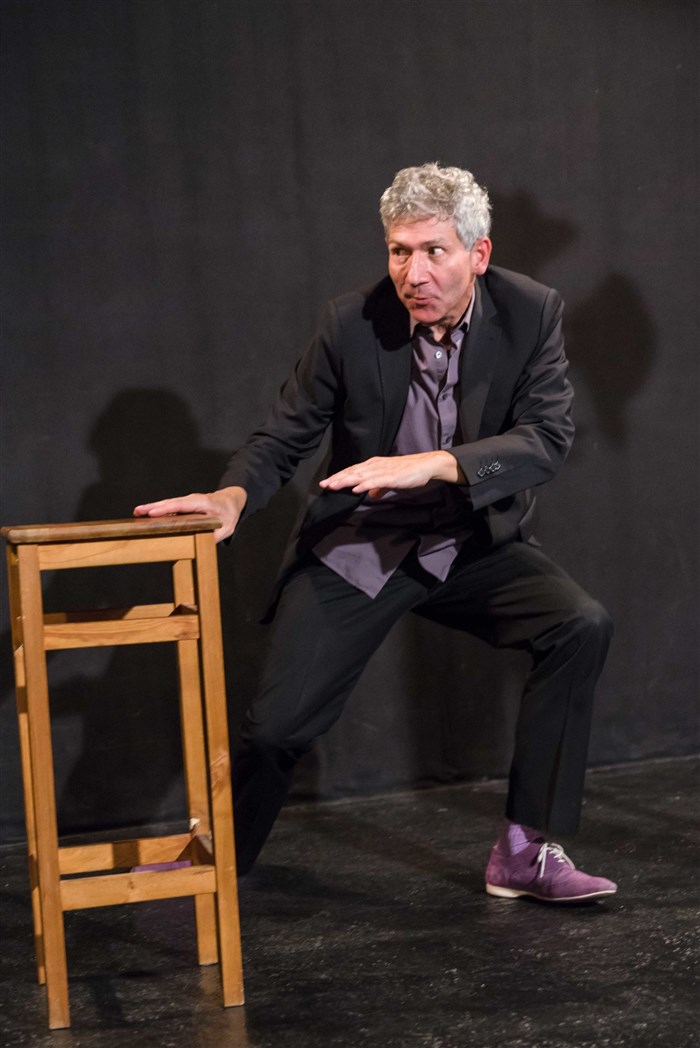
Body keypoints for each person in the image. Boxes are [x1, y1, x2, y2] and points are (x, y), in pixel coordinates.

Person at [135, 163, 616, 903]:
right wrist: (231, 498)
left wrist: (436, 464)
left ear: (478, 255)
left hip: (465, 542)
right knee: (278, 729)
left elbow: (547, 440)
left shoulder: (530, 312)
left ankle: (525, 851)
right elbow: (283, 437)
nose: (412, 274)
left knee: (579, 625)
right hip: (361, 545)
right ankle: (216, 862)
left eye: (433, 251)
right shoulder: (351, 323)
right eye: (399, 251)